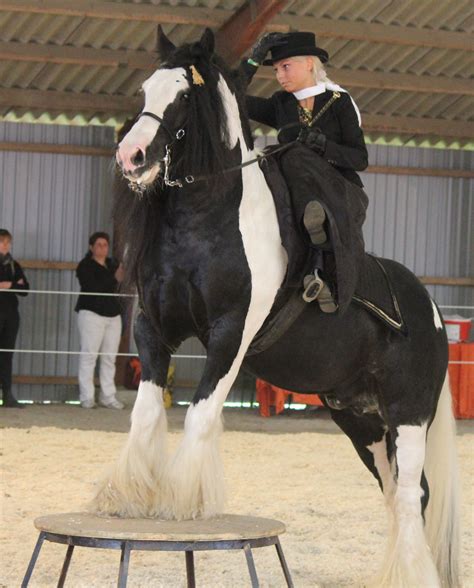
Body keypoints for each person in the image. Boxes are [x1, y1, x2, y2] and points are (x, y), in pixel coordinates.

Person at [242, 31, 369, 313]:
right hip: (294, 195)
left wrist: (324, 147)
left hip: (340, 191)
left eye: (285, 67)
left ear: (310, 63)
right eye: (275, 69)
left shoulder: (339, 102)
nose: (279, 76)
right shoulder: (280, 104)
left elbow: (360, 159)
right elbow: (233, 97)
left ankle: (324, 260)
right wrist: (253, 61)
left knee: (294, 154)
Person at [75, 232, 125, 409]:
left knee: (109, 358)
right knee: (89, 355)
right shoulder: (85, 266)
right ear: (91, 247)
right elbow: (92, 287)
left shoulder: (113, 264)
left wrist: (119, 278)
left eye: (105, 245)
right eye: (99, 245)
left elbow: (121, 285)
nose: (103, 248)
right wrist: (115, 279)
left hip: (113, 314)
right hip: (92, 313)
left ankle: (108, 396)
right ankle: (86, 396)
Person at [0, 229, 29, 408]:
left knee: (6, 355)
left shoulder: (13, 264)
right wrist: (13, 284)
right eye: (2, 241)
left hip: (11, 315)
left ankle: (7, 394)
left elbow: (25, 288)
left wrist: (9, 284)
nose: (5, 245)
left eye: (7, 242)